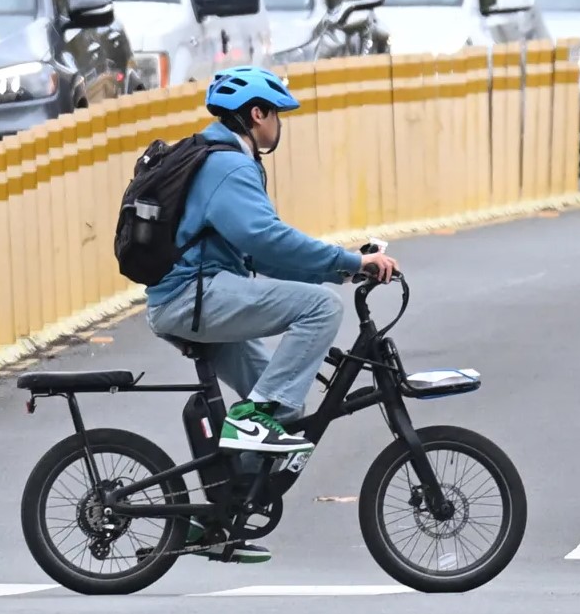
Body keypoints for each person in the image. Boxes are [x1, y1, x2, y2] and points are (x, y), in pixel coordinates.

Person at [144, 66, 398, 561]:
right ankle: (250, 420)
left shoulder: (224, 159)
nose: (279, 124)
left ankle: (217, 520)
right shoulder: (229, 167)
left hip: (203, 294)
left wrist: (345, 265)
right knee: (320, 310)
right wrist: (348, 264)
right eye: (276, 114)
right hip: (193, 297)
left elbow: (262, 254)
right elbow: (266, 239)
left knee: (284, 407)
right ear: (256, 114)